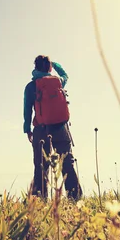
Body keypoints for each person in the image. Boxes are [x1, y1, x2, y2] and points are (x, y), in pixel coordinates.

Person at [23, 55, 82, 200]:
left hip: (41, 130)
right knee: (67, 163)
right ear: (49, 67)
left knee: (41, 166)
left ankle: (40, 199)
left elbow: (27, 109)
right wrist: (55, 64)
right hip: (61, 129)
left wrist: (27, 129)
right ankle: (75, 197)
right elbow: (65, 75)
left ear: (35, 67)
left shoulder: (31, 86)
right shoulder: (58, 82)